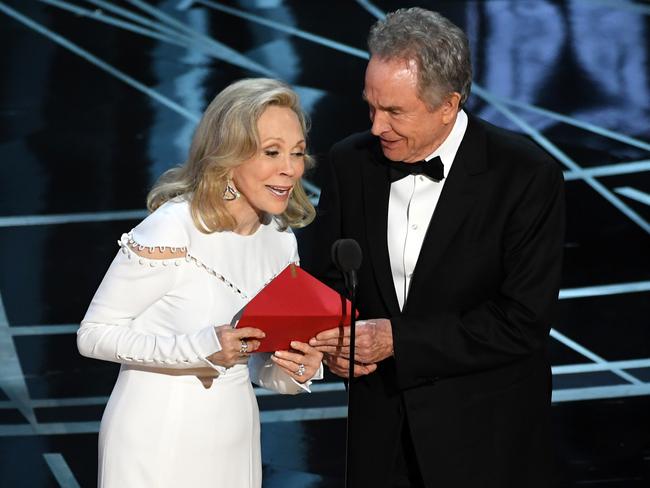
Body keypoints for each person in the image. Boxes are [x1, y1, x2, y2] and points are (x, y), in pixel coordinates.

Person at [303, 8, 565, 488]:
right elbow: (332, 277)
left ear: (448, 104)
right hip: (380, 439)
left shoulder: (524, 176)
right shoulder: (349, 162)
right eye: (371, 106)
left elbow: (522, 321)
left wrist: (397, 340)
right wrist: (335, 347)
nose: (377, 125)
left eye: (395, 111)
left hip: (485, 439)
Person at [78, 78, 324, 488]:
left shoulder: (281, 242)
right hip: (155, 440)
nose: (290, 168)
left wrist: (296, 369)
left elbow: (260, 363)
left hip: (235, 436)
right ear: (229, 158)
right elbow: (93, 335)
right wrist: (201, 347)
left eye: (297, 153)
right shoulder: (172, 230)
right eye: (272, 152)